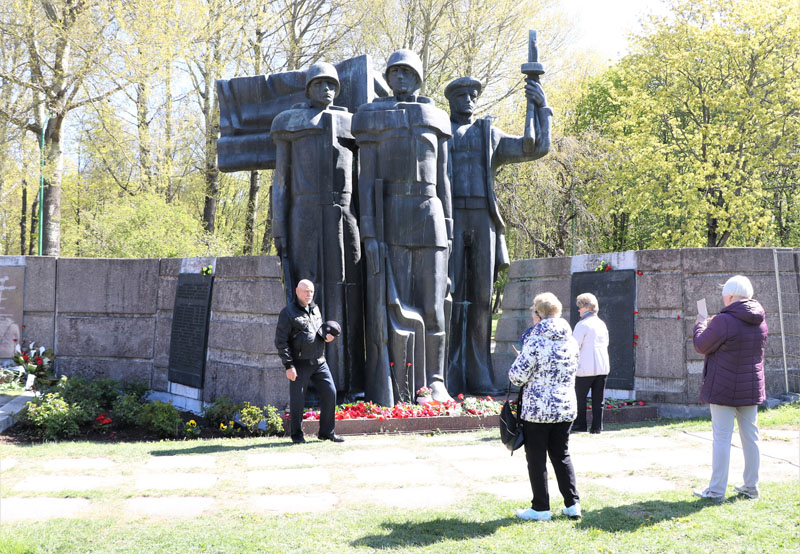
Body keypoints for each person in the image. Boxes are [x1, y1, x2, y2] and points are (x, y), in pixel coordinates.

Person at [352, 49, 453, 404]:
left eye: (406, 72)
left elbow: (444, 179)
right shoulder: (373, 117)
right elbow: (365, 182)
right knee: (396, 304)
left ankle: (436, 381)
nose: (399, 77)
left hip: (430, 215)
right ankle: (400, 380)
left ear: (418, 77)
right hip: (391, 216)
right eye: (393, 72)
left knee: (434, 304)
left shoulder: (434, 117)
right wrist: (369, 233)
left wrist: (450, 230)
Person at [444, 76, 552, 397]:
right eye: (461, 95)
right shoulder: (438, 132)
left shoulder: (487, 133)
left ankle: (478, 374)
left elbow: (534, 147)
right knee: (449, 298)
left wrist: (540, 107)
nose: (468, 100)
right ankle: (447, 375)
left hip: (482, 218)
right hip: (449, 220)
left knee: (479, 299)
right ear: (450, 101)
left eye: (472, 95)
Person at [271, 62, 364, 400]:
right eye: (319, 84)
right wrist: (279, 227)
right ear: (308, 87)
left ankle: (347, 380)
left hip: (343, 216)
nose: (326, 90)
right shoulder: (291, 122)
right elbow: (280, 181)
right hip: (304, 215)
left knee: (345, 296)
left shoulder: (350, 123)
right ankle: (308, 381)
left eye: (331, 84)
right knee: (306, 296)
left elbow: (363, 179)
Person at [692, 275, 767, 500]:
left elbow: (700, 345)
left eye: (725, 295)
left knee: (722, 438)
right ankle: (751, 486)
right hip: (751, 385)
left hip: (723, 386)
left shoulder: (724, 320)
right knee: (751, 436)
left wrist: (700, 324)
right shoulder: (760, 319)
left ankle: (716, 491)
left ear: (732, 296)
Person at [509, 292, 581, 521]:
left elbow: (517, 377)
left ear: (538, 315)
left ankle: (540, 508)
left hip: (538, 410)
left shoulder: (535, 340)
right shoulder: (571, 340)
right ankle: (573, 504)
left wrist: (520, 360)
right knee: (562, 454)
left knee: (537, 457)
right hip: (565, 406)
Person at [275, 279, 344, 444]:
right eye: (306, 291)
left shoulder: (315, 309)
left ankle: (326, 432)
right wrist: (289, 365)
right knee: (298, 400)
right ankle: (297, 436)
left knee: (330, 392)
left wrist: (325, 337)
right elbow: (281, 341)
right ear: (297, 291)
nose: (309, 294)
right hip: (299, 363)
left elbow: (317, 330)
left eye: (311, 291)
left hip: (319, 361)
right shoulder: (288, 312)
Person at [571, 293, 610, 434]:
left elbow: (574, 346)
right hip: (602, 366)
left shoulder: (582, 325)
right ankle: (597, 427)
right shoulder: (601, 324)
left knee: (579, 398)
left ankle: (580, 425)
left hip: (585, 368)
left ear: (585, 307)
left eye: (579, 307)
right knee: (598, 399)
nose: (578, 310)